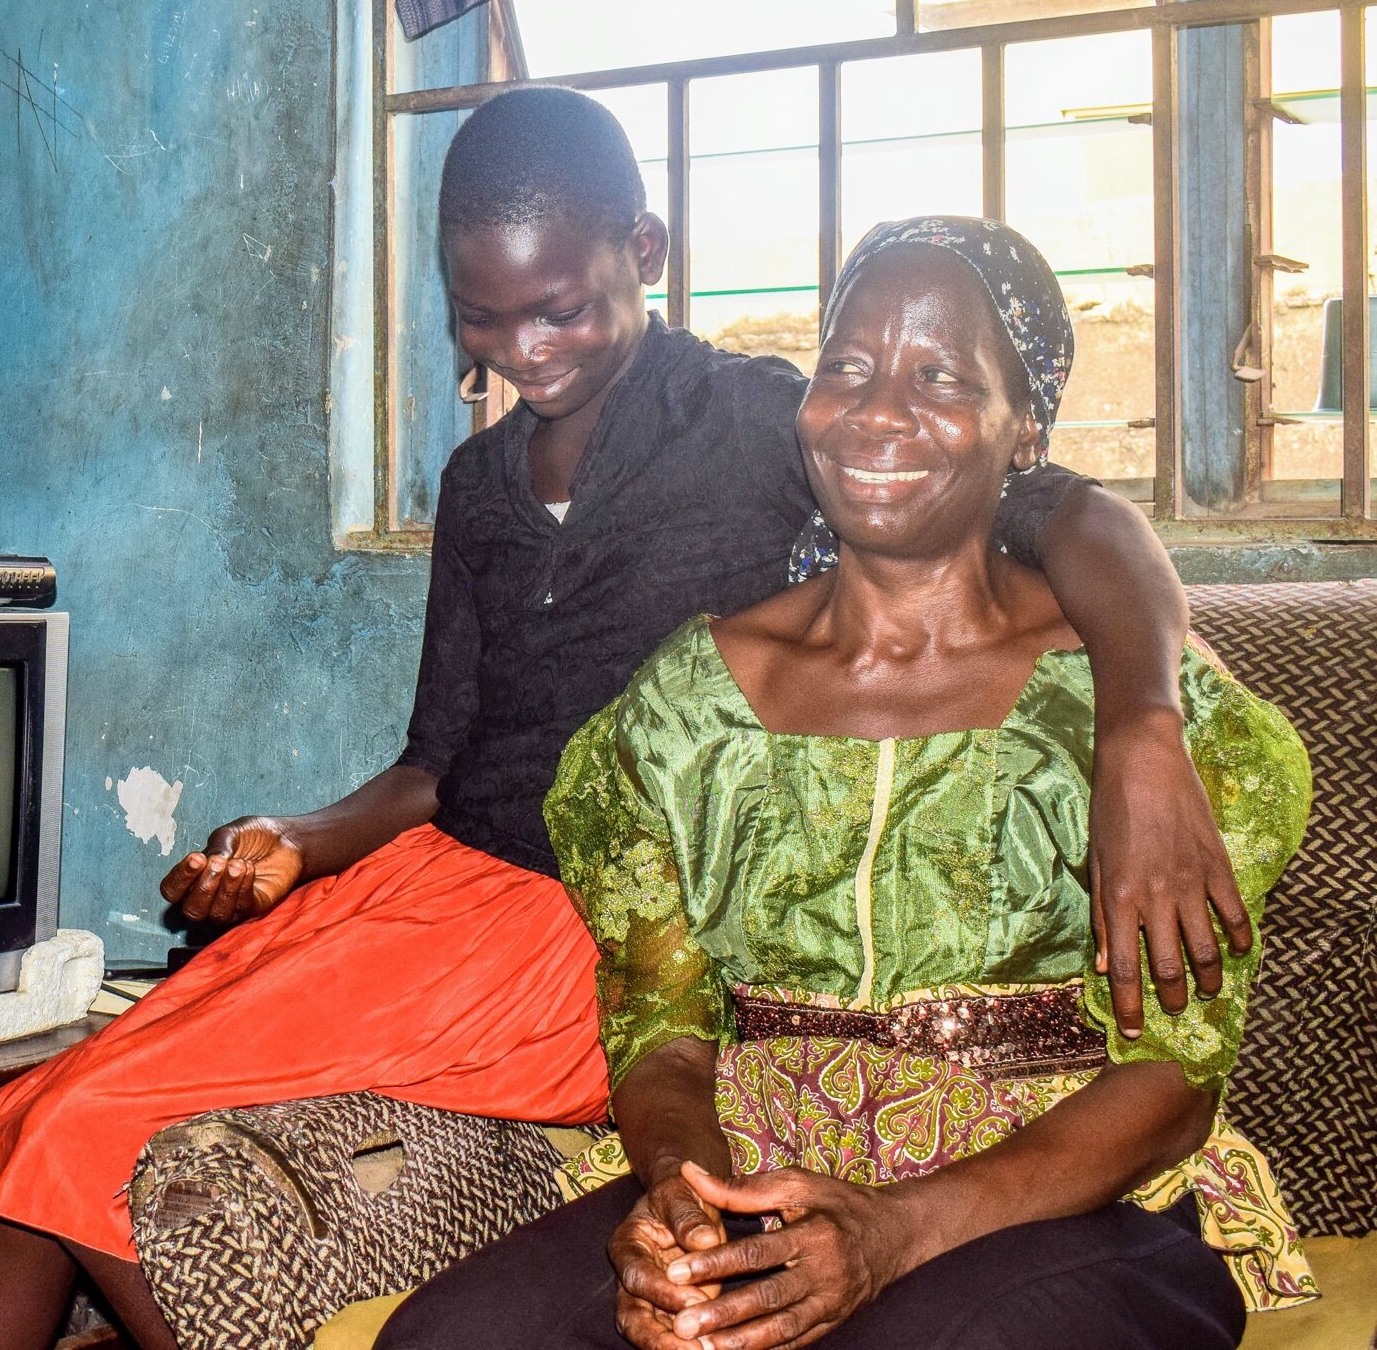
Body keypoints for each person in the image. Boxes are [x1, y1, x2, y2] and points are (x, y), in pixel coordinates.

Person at [0, 91, 1255, 1349]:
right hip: (447, 886)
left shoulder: (766, 420)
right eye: (485, 321)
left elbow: (1066, 510)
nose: (525, 349)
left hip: (570, 916)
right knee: (28, 1113)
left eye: (557, 308)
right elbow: (434, 761)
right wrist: (297, 832)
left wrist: (1143, 720)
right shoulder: (478, 480)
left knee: (80, 1121)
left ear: (645, 254)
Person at [375, 216, 1315, 1350]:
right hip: (755, 1177)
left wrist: (894, 1231)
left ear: (1025, 433)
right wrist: (687, 1202)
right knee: (451, 1342)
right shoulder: (685, 709)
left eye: (939, 375)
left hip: (1058, 1198)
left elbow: (1173, 1075)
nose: (877, 410)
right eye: (847, 368)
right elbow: (663, 1032)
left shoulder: (1131, 709)